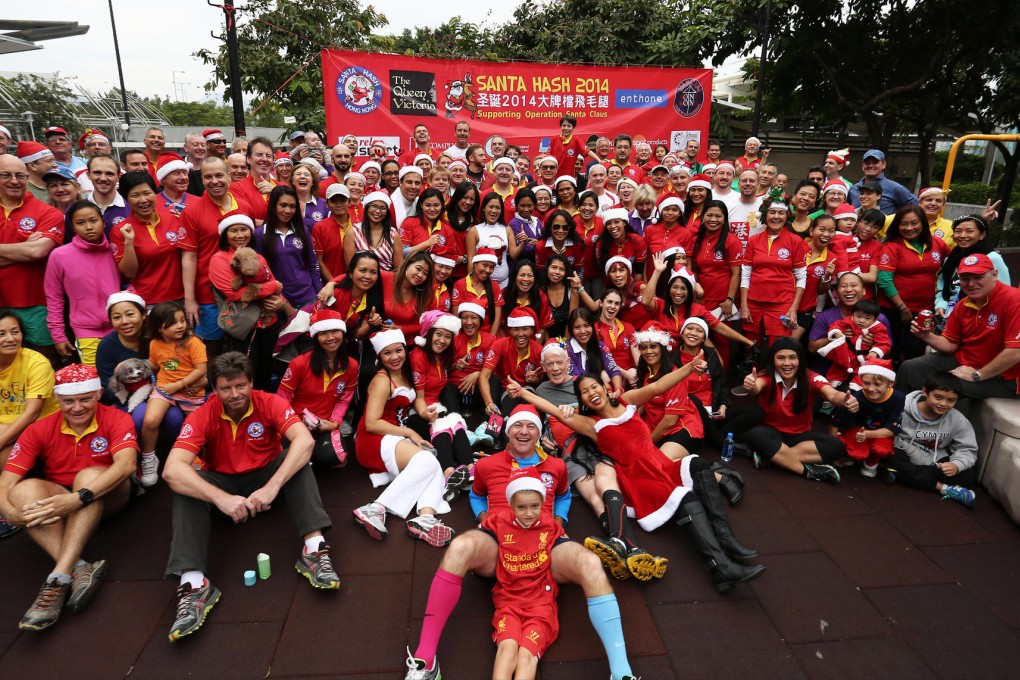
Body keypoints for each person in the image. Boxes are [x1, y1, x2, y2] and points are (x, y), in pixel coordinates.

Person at [404, 404, 639, 680]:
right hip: (499, 542)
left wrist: (560, 522)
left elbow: (563, 495)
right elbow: (477, 494)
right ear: (507, 430)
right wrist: (482, 518)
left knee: (589, 561)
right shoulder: (487, 464)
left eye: (531, 426)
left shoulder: (556, 465)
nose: (524, 431)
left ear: (538, 433)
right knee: (460, 546)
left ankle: (621, 672)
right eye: (518, 425)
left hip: (545, 543)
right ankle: (425, 658)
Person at [507, 359, 766, 594]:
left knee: (698, 465)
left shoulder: (628, 401)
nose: (590, 394)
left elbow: (659, 386)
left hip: (659, 464)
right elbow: (551, 408)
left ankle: (726, 538)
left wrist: (689, 368)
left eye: (593, 387)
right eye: (584, 392)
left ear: (605, 388)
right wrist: (523, 393)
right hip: (640, 478)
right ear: (582, 401)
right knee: (687, 499)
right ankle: (720, 566)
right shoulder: (590, 424)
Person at [162, 352, 339, 641]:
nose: (234, 394)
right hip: (223, 485)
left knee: (296, 459)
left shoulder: (269, 401)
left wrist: (272, 486)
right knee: (185, 483)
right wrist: (220, 499)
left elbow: (304, 440)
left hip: (265, 481)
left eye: (240, 386)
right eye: (225, 388)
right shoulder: (203, 415)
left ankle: (314, 550)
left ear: (251, 382)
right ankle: (194, 583)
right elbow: (171, 470)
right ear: (214, 389)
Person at [0, 363, 137, 631]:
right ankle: (77, 568)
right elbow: (5, 482)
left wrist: (78, 498)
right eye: (68, 401)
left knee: (88, 478)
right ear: (58, 400)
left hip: (108, 494)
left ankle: (58, 577)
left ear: (98, 394)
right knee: (22, 491)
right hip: (63, 496)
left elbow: (126, 465)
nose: (77, 408)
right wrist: (10, 513)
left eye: (85, 399)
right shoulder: (39, 428)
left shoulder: (117, 418)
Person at [351, 328, 455, 546]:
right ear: (380, 356)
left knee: (432, 464)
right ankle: (377, 508)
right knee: (426, 460)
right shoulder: (382, 380)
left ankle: (426, 517)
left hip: (391, 434)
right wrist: (409, 432)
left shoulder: (404, 373)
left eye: (398, 351)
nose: (395, 357)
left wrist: (424, 413)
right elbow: (371, 423)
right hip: (373, 438)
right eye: (387, 353)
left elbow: (415, 399)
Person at [898, 253, 1020, 401]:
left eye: (978, 277)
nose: (971, 284)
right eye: (965, 279)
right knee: (910, 368)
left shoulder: (1014, 300)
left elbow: (1015, 352)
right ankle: (897, 418)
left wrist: (977, 375)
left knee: (948, 386)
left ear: (994, 275)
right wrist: (926, 335)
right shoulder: (963, 305)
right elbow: (950, 344)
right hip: (966, 361)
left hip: (1007, 377)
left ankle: (944, 423)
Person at [741, 337, 857, 483]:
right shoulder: (766, 376)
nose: (787, 363)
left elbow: (832, 394)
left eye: (792, 358)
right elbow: (756, 386)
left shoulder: (811, 377)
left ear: (800, 360)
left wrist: (845, 401)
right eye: (781, 358)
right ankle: (809, 471)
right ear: (773, 360)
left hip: (799, 438)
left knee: (837, 447)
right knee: (755, 434)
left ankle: (772, 457)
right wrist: (751, 386)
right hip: (771, 433)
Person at [484, 473, 566, 679]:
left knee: (526, 655)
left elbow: (566, 545)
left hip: (540, 604)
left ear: (542, 504)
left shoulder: (551, 526)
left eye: (534, 506)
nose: (529, 513)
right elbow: (479, 537)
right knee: (507, 648)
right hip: (508, 601)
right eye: (521, 507)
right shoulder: (498, 521)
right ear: (511, 505)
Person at [0, 154, 65, 360]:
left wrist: (30, 251)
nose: (14, 180)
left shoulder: (48, 213)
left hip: (37, 302)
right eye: (6, 175)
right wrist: (24, 249)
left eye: (20, 175)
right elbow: (30, 252)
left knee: (44, 361)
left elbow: (38, 251)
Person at [405, 310, 475, 501]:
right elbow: (418, 397)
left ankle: (471, 471)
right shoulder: (418, 356)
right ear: (428, 333)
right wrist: (425, 413)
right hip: (415, 411)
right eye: (439, 334)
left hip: (435, 406)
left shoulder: (441, 357)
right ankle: (448, 475)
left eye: (447, 336)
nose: (443, 340)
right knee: (443, 425)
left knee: (457, 423)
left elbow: (438, 378)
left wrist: (453, 367)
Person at [0, 311, 59, 537]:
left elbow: (32, 413)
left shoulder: (36, 362)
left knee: (6, 451)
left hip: (42, 430)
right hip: (7, 430)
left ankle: (10, 510)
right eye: (1, 334)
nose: (10, 338)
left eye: (15, 332)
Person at [277, 309, 357, 468]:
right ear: (316, 337)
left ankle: (312, 453)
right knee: (288, 463)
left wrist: (334, 423)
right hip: (295, 425)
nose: (330, 338)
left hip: (324, 426)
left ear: (342, 332)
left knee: (337, 459)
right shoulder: (299, 363)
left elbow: (344, 400)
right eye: (323, 333)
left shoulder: (351, 365)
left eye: (335, 331)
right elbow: (282, 400)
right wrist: (293, 426)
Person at [884, 372, 979, 508]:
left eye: (951, 400)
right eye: (938, 397)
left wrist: (956, 465)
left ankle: (901, 474)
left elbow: (967, 449)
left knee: (968, 477)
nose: (943, 404)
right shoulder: (902, 407)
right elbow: (886, 432)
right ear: (925, 392)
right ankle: (943, 487)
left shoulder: (958, 419)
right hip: (903, 451)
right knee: (889, 456)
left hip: (934, 460)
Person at [139, 302, 208, 487]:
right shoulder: (155, 343)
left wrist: (180, 384)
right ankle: (148, 459)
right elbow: (155, 363)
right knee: (150, 420)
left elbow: (202, 369)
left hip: (189, 391)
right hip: (164, 389)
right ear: (159, 328)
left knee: (195, 427)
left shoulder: (193, 343)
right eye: (172, 323)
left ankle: (193, 457)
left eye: (182, 321)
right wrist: (136, 366)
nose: (180, 326)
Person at [43, 201, 120, 366]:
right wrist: (58, 335)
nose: (89, 227)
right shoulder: (59, 255)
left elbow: (131, 280)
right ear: (72, 226)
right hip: (86, 331)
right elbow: (54, 297)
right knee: (96, 383)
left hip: (121, 328)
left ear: (103, 222)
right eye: (80, 223)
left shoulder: (115, 250)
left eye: (93, 220)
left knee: (126, 377)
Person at [877, 205, 950, 362]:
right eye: (903, 223)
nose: (909, 228)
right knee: (888, 350)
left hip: (924, 311)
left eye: (914, 223)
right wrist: (902, 308)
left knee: (915, 351)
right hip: (892, 309)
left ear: (923, 223)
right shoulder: (892, 246)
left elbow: (954, 263)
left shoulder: (938, 243)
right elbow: (884, 280)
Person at [645, 253, 754, 350]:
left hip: (688, 359)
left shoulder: (697, 310)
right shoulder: (660, 305)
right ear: (669, 289)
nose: (678, 292)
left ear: (690, 292)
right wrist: (657, 271)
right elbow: (645, 301)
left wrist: (749, 342)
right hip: (663, 361)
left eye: (684, 289)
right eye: (675, 287)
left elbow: (721, 328)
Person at [110, 171, 187, 306]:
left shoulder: (174, 218)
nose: (143, 200)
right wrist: (129, 242)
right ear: (126, 199)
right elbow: (129, 272)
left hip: (182, 297)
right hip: (149, 302)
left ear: (155, 193)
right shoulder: (120, 230)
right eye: (135, 195)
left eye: (147, 193)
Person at [739, 194, 807, 342]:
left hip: (782, 303)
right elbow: (745, 275)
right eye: (772, 212)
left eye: (781, 213)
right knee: (751, 348)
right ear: (765, 215)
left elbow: (801, 277)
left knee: (778, 347)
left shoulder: (796, 241)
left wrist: (793, 308)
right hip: (754, 302)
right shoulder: (753, 240)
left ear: (787, 216)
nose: (776, 217)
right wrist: (744, 306)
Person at [832, 358, 904, 477]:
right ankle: (848, 452)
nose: (871, 388)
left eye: (877, 384)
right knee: (857, 454)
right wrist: (833, 450)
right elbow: (836, 421)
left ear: (890, 384)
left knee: (881, 449)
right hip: (857, 431)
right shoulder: (857, 397)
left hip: (880, 433)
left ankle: (871, 463)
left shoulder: (898, 398)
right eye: (866, 383)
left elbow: (891, 429)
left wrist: (867, 435)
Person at [256, 186, 321, 308]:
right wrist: (281, 301)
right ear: (273, 206)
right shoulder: (260, 234)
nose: (288, 211)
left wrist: (318, 293)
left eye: (292, 206)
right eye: (283, 205)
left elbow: (313, 265)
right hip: (279, 301)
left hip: (308, 297)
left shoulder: (303, 231)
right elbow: (261, 274)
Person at [935, 214, 1011, 319]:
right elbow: (942, 286)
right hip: (949, 314)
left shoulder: (992, 257)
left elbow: (1004, 293)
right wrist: (940, 305)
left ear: (982, 235)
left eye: (969, 231)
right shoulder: (951, 258)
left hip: (979, 316)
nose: (962, 235)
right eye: (958, 231)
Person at [479, 308, 545, 416]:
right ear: (509, 331)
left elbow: (540, 379)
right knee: (508, 412)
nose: (520, 334)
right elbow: (484, 376)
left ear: (532, 330)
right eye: (516, 329)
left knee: (529, 412)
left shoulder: (538, 350)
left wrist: (534, 379)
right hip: (505, 390)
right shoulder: (499, 345)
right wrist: (489, 403)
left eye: (525, 329)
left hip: (528, 390)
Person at [818, 299, 892, 387]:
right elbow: (835, 325)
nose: (861, 320)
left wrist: (875, 352)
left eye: (867, 318)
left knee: (863, 374)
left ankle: (856, 390)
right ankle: (831, 389)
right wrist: (837, 333)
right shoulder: (849, 321)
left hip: (864, 359)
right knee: (836, 371)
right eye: (858, 316)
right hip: (846, 356)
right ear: (853, 314)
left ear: (874, 319)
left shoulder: (879, 328)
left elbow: (884, 343)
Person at [467, 192, 522, 289]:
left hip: (504, 284)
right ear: (484, 208)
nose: (494, 210)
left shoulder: (507, 229)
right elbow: (471, 260)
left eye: (497, 208)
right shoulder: (474, 231)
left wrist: (524, 243)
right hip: (481, 285)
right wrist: (472, 284)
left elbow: (513, 254)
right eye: (491, 207)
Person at [345, 191, 404, 272]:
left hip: (386, 281)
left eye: (383, 208)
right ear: (366, 208)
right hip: (360, 281)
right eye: (374, 206)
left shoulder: (393, 234)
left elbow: (399, 269)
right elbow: (350, 267)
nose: (378, 211)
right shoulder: (353, 232)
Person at [847, 149, 917, 215]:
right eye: (867, 163)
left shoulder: (894, 188)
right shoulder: (854, 189)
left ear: (884, 164)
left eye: (875, 162)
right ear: (862, 166)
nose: (871, 165)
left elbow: (917, 207)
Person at [311, 184, 354, 282]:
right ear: (327, 204)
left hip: (358, 283)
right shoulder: (320, 228)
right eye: (334, 201)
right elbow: (319, 261)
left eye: (343, 200)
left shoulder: (359, 224)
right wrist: (334, 284)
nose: (339, 204)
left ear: (349, 202)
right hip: (333, 284)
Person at [229, 137, 278, 222]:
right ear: (248, 159)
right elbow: (243, 221)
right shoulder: (236, 188)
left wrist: (276, 192)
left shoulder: (283, 187)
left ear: (273, 160)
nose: (264, 159)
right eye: (259, 155)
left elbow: (294, 219)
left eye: (268, 156)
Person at [85, 155, 131, 231]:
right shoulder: (75, 210)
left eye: (109, 174)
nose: (103, 178)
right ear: (88, 175)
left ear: (118, 177)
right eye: (97, 173)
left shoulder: (132, 209)